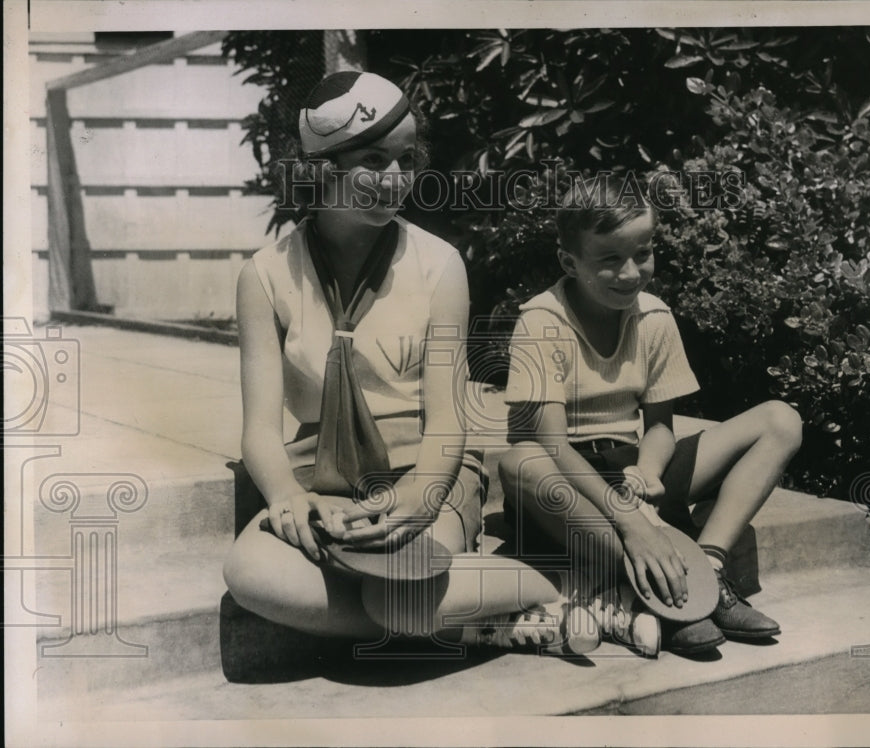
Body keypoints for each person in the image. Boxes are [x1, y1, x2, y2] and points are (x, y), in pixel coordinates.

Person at [223, 71, 600, 656]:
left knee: (402, 592)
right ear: (323, 169)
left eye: (406, 159)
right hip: (321, 479)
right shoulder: (265, 276)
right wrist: (287, 499)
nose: (397, 179)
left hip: (424, 466)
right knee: (252, 577)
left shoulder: (438, 264)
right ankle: (484, 622)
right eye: (375, 160)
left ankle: (568, 587)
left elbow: (449, 417)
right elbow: (259, 432)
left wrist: (423, 494)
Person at [499, 176, 802, 656]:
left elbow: (660, 425)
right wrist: (630, 520)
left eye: (642, 253)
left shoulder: (654, 317)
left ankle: (708, 566)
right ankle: (658, 589)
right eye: (609, 260)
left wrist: (649, 471)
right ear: (569, 263)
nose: (630, 272)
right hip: (568, 484)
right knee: (519, 463)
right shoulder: (540, 322)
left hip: (630, 471)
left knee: (781, 419)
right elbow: (552, 447)